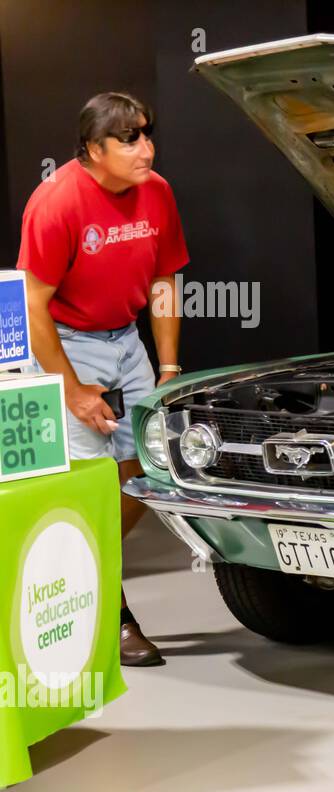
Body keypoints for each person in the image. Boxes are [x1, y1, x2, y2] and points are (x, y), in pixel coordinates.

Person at [18, 91, 189, 666]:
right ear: (93, 149)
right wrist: (71, 388)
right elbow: (32, 304)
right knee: (90, 480)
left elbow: (165, 280)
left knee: (144, 464)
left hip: (127, 340)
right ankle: (113, 619)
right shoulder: (57, 203)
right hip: (67, 343)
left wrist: (167, 368)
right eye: (130, 139)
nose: (147, 149)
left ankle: (86, 573)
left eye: (147, 134)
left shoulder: (157, 192)